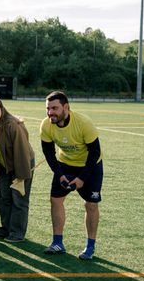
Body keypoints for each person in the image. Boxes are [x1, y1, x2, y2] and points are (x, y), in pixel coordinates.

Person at [41, 91, 104, 260]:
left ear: (66, 107)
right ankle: (57, 243)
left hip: (90, 165)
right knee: (56, 200)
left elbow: (94, 152)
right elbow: (48, 153)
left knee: (90, 204)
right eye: (48, 108)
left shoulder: (83, 123)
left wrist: (82, 178)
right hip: (65, 164)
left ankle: (90, 247)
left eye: (54, 108)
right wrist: (60, 175)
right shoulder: (46, 125)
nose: (50, 112)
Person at [0, 95, 35, 243]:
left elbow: (22, 151)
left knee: (19, 199)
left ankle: (17, 232)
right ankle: (6, 228)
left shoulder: (12, 124)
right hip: (4, 168)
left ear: (1, 108)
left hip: (22, 166)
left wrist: (20, 176)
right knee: (4, 198)